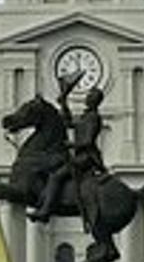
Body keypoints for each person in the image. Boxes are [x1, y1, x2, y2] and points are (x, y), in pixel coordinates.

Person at [31, 78, 106, 230]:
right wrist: (64, 102)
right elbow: (69, 123)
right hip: (79, 156)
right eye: (88, 96)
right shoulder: (86, 116)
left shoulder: (93, 118)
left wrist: (71, 144)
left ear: (95, 101)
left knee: (56, 176)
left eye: (90, 96)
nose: (87, 98)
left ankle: (45, 211)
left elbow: (88, 142)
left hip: (86, 158)